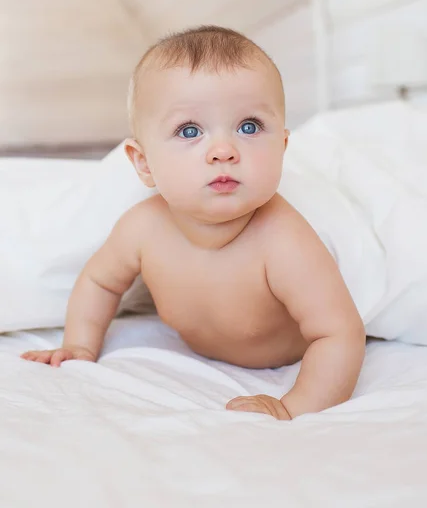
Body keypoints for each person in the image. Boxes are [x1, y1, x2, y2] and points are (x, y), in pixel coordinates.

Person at [21, 25, 365, 420]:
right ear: (144, 163)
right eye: (189, 130)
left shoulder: (284, 240)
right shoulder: (142, 229)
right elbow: (99, 281)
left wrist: (293, 407)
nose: (223, 151)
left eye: (249, 126)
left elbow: (339, 334)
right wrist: (79, 345)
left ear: (283, 148)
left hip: (285, 354)